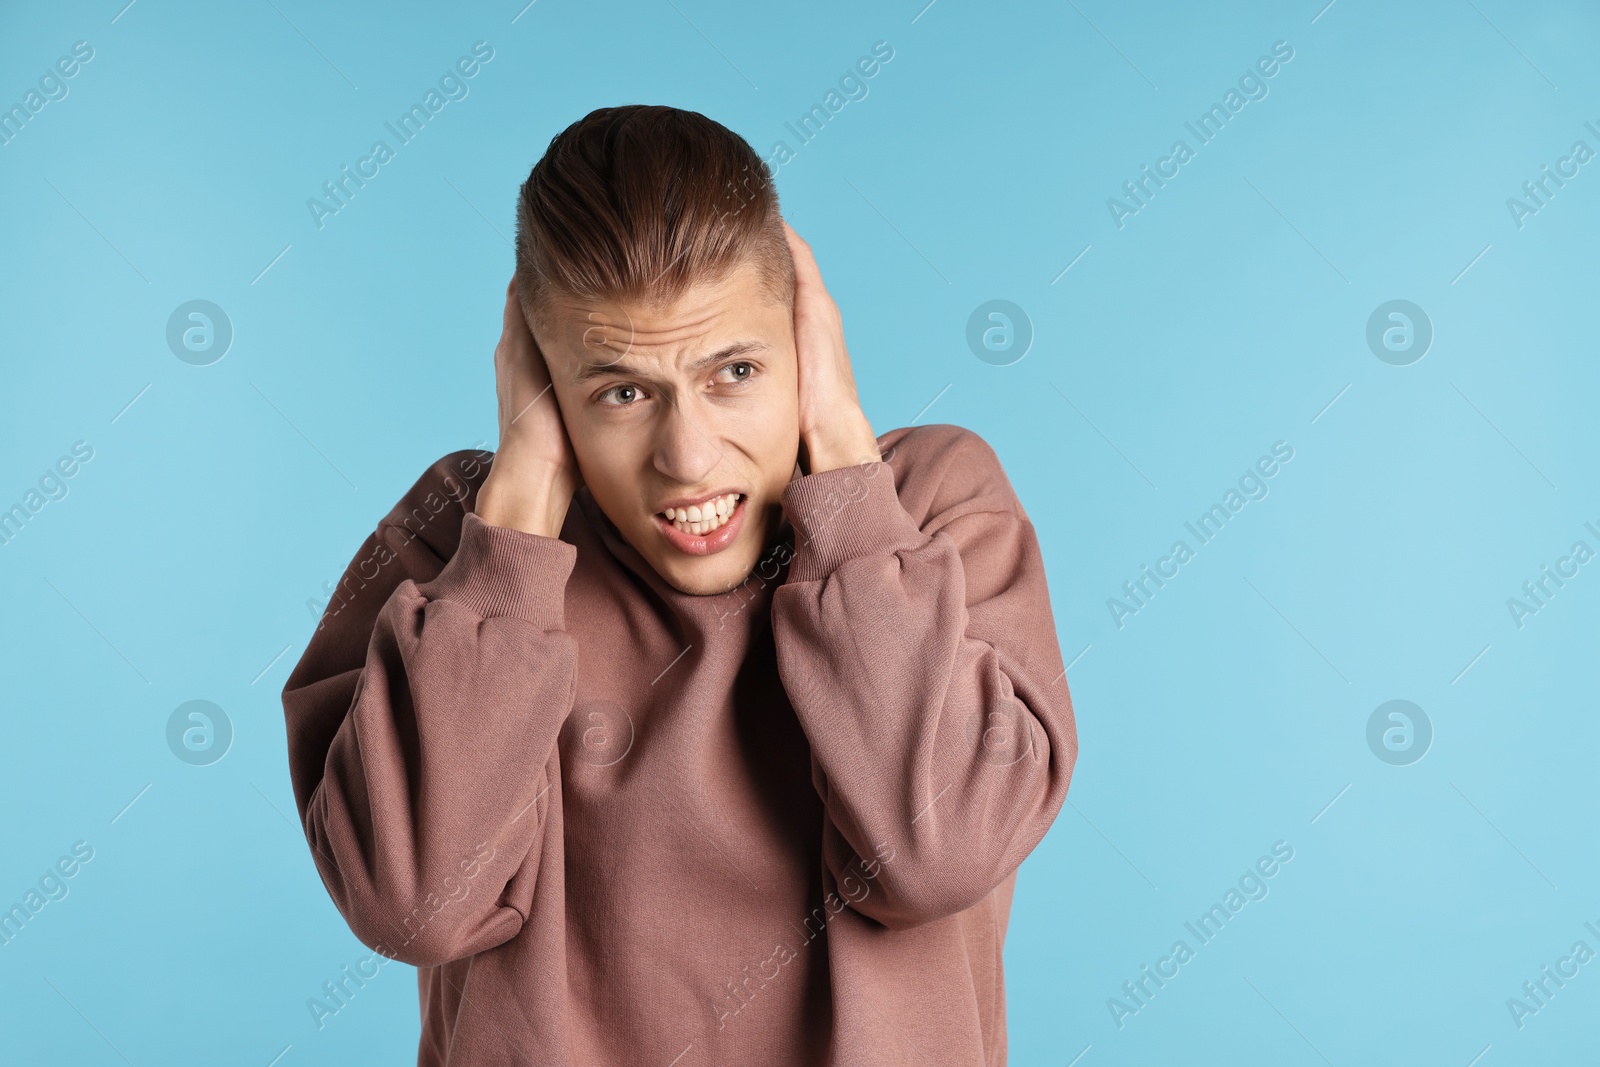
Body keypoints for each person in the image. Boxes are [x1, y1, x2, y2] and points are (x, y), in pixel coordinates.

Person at [281, 104, 1077, 1067]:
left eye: (735, 370)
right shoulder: (460, 544)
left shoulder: (929, 507)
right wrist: (514, 526)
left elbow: (937, 849)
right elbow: (414, 905)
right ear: (538, 382)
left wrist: (849, 499)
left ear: (807, 342)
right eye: (621, 391)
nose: (689, 457)